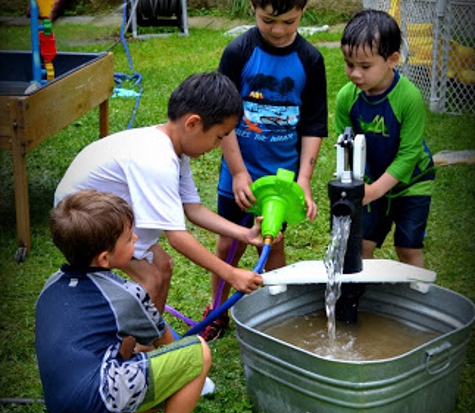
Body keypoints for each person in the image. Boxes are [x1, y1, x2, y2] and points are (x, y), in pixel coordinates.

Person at [54, 72, 265, 316]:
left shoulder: (174, 147)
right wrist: (231, 273)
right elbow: (177, 237)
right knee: (151, 278)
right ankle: (133, 351)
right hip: (79, 221)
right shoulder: (157, 160)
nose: (218, 146)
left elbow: (193, 208)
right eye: (218, 137)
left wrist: (245, 234)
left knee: (163, 266)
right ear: (192, 123)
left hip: (99, 211)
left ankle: (151, 342)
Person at [201, 0, 328, 342]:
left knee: (274, 245)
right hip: (238, 174)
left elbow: (314, 125)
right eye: (268, 19)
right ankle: (217, 310)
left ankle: (278, 315)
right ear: (253, 7)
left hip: (282, 181)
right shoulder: (238, 52)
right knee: (228, 242)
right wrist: (239, 172)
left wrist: (303, 181)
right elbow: (221, 117)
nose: (278, 30)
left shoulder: (311, 60)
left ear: (303, 10)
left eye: (289, 21)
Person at [36, 189, 212, 413]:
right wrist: (192, 373)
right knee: (198, 354)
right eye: (129, 238)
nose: (136, 239)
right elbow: (167, 342)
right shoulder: (125, 294)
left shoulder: (50, 287)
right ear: (104, 259)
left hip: (60, 406)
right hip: (99, 397)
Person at [334, 9, 435, 322]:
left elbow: (408, 155)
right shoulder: (346, 98)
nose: (355, 74)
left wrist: (375, 190)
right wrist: (356, 187)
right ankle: (357, 302)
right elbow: (345, 148)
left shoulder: (409, 98)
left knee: (408, 247)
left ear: (392, 60)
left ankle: (421, 309)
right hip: (370, 182)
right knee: (362, 244)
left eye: (365, 66)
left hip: (412, 183)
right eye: (349, 64)